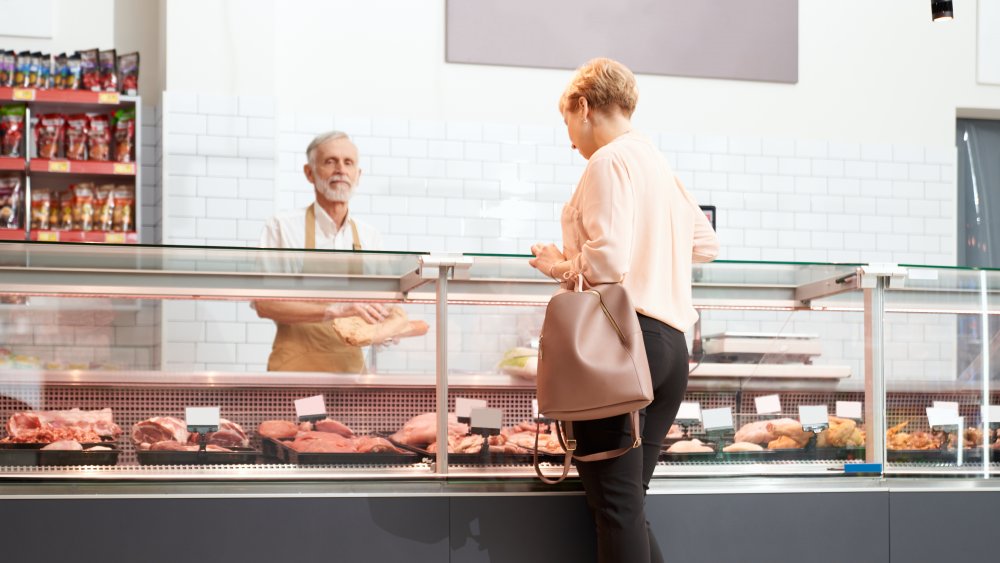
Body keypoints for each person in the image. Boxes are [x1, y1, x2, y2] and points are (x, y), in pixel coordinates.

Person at [529, 58, 720, 563]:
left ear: (584, 106)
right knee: (627, 506)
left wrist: (558, 264)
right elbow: (707, 243)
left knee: (615, 508)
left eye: (567, 122)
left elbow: (608, 262)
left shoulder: (608, 161)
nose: (570, 139)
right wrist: (660, 244)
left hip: (621, 344)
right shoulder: (657, 163)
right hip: (670, 348)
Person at [255, 130, 390, 373]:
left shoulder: (370, 237)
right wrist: (334, 310)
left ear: (358, 175)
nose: (341, 169)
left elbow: (381, 306)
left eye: (348, 163)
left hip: (352, 376)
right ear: (309, 173)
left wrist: (388, 328)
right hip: (295, 374)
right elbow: (266, 304)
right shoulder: (282, 227)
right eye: (330, 161)